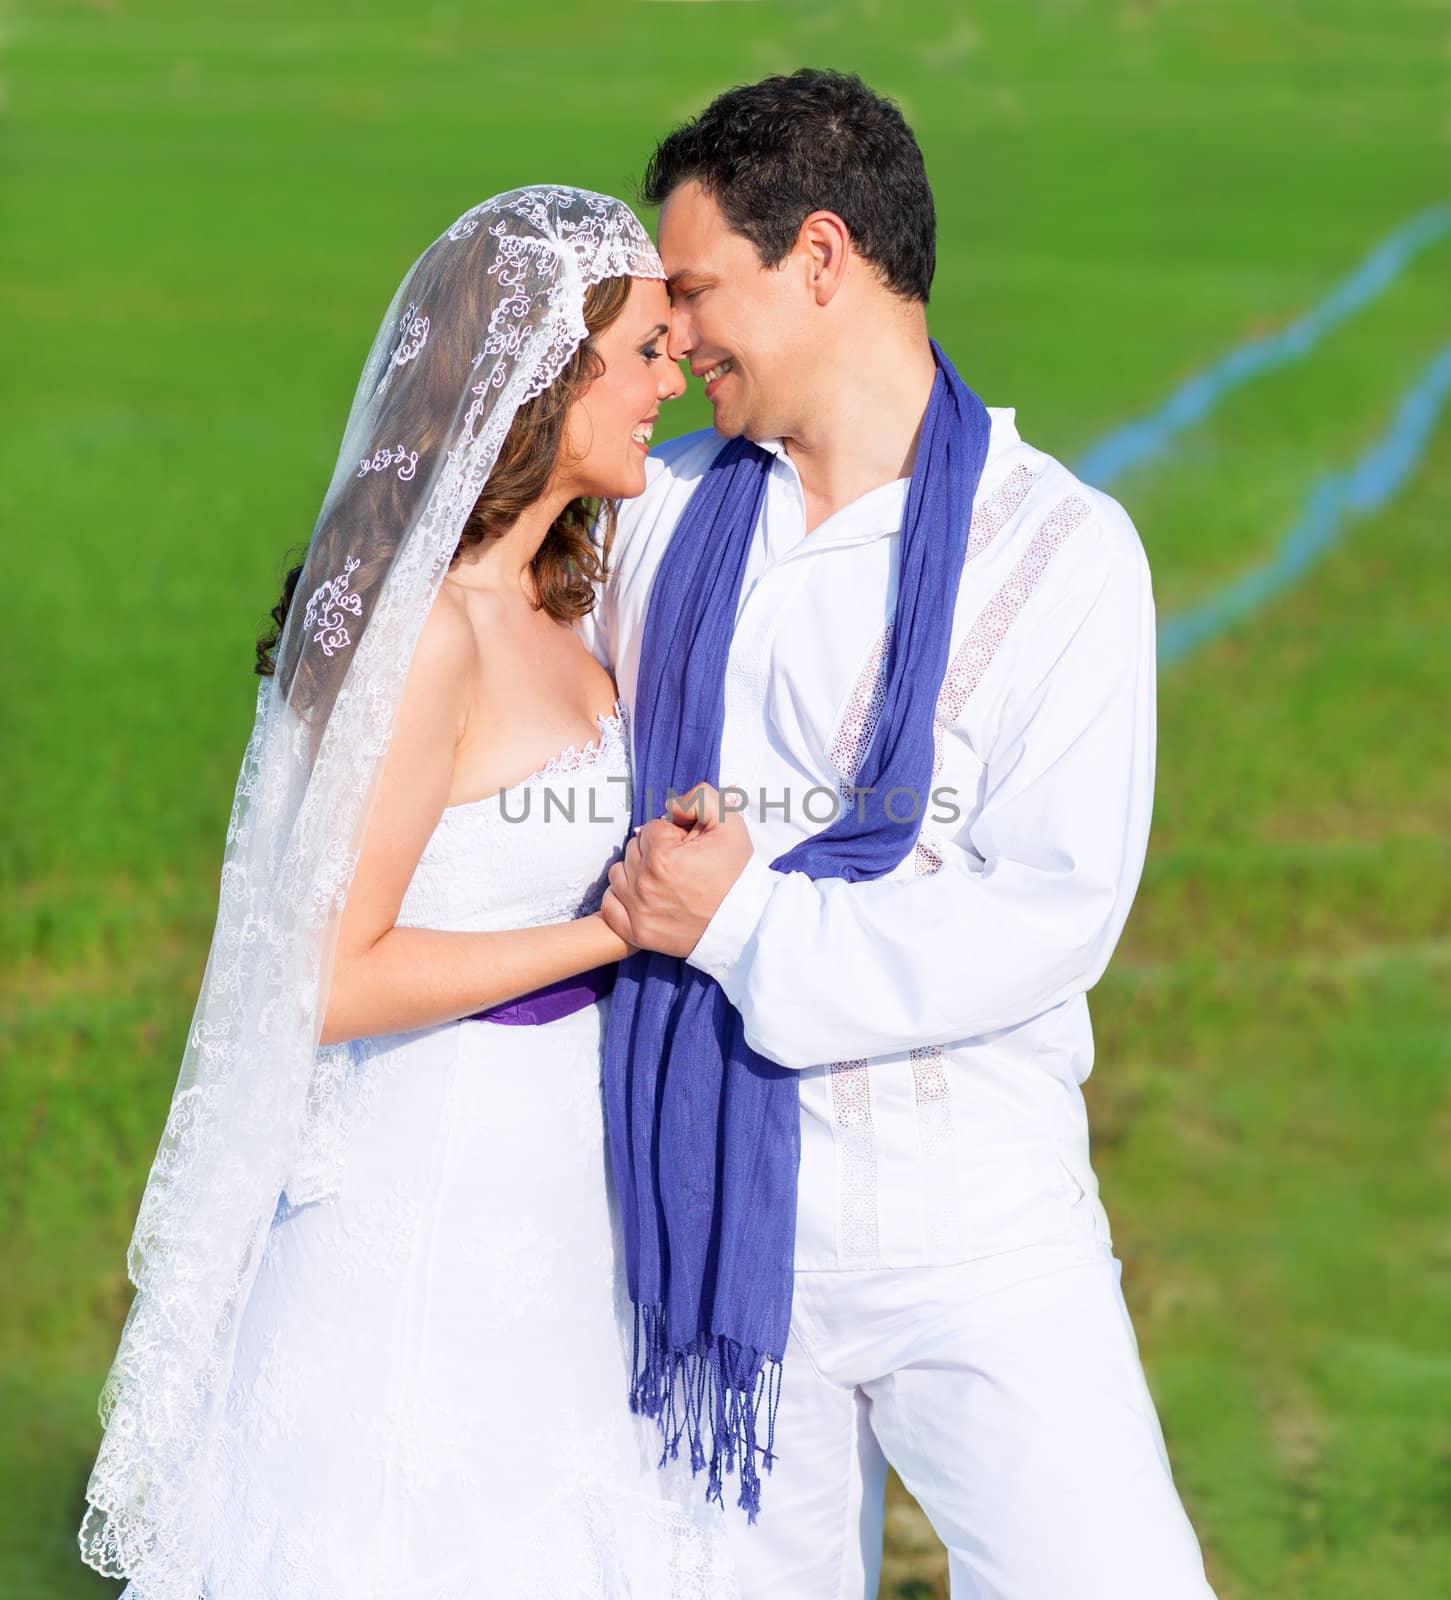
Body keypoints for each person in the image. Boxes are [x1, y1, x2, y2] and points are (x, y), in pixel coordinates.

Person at [587, 72, 1219, 1599]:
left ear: (820, 258)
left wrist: (742, 924)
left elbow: (1049, 911)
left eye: (695, 291)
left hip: (976, 1228)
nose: (673, 340)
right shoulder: (656, 517)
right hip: (707, 1227)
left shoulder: (1061, 548)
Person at [79, 187, 739, 1600]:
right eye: (639, 354)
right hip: (438, 1187)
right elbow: (330, 976)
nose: (667, 380)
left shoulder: (568, 603)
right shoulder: (429, 635)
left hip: (568, 1196)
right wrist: (608, 928)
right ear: (543, 381)